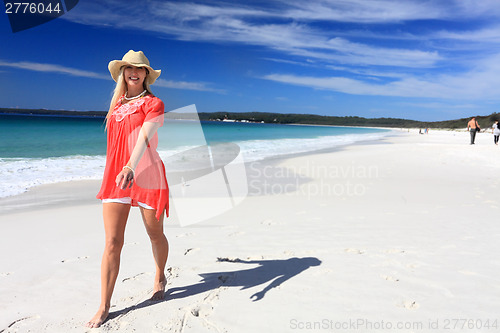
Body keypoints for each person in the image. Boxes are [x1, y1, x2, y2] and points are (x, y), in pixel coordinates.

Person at [86, 50, 169, 328]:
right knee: (112, 242)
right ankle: (104, 305)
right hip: (116, 177)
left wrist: (131, 166)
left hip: (145, 173)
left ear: (146, 74)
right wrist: (119, 169)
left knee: (154, 233)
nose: (134, 72)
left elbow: (144, 137)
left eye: (140, 68)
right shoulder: (117, 105)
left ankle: (159, 274)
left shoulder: (154, 103)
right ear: (123, 73)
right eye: (128, 68)